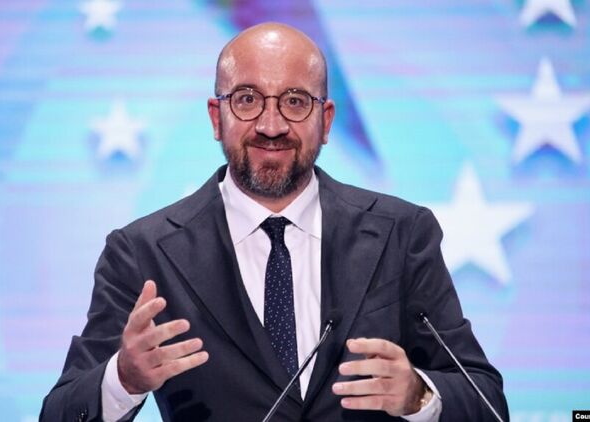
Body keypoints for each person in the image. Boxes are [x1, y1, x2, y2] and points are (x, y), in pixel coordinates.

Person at [41, 22, 508, 422]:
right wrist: (122, 378)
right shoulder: (142, 251)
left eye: (295, 101)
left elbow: (488, 402)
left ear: (326, 120)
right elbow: (59, 412)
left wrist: (419, 396)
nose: (271, 125)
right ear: (216, 117)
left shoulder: (401, 234)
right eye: (247, 99)